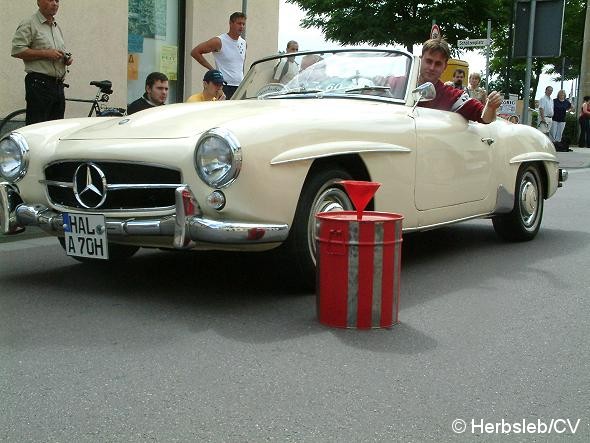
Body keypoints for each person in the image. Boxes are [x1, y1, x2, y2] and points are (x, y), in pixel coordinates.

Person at [11, 0, 74, 125]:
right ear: (39, 2)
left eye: (57, 0)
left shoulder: (56, 26)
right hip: (39, 84)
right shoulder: (29, 23)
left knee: (56, 129)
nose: (55, 4)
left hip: (58, 85)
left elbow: (59, 51)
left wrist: (66, 59)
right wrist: (46, 53)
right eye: (50, 0)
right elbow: (17, 50)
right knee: (37, 128)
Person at [417, 38, 501, 124]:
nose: (432, 68)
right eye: (428, 61)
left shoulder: (452, 96)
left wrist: (491, 106)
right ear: (420, 59)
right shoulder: (402, 85)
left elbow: (483, 117)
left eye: (438, 64)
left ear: (445, 67)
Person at [190, 12, 246, 99]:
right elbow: (195, 52)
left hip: (240, 86)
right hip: (224, 86)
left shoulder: (243, 43)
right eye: (239, 23)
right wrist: (212, 70)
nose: (241, 26)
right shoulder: (219, 41)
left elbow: (239, 65)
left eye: (243, 24)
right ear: (231, 23)